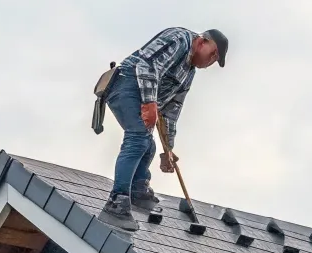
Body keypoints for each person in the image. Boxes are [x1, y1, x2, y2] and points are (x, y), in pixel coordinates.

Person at [97, 27, 229, 232]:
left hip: (142, 96)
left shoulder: (189, 73)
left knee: (148, 146)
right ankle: (116, 203)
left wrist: (168, 150)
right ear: (202, 42)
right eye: (212, 54)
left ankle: (137, 189)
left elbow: (171, 110)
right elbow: (147, 66)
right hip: (126, 85)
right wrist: (150, 103)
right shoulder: (179, 40)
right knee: (139, 139)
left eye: (215, 60)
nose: (210, 62)